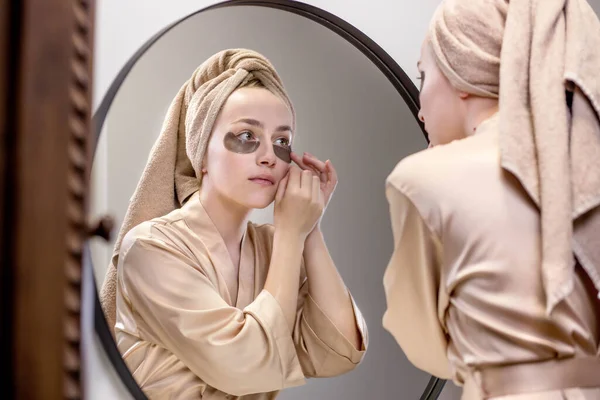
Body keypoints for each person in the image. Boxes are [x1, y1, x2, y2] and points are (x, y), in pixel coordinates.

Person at [99, 49, 368, 399]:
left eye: (282, 141)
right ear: (202, 152)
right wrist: (290, 235)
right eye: (246, 136)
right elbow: (248, 365)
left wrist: (309, 228)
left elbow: (339, 351)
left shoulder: (274, 247)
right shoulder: (151, 248)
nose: (270, 156)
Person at [382, 1, 600, 399]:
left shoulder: (423, 179)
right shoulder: (589, 168)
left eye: (424, 75)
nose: (420, 110)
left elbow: (425, 346)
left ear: (462, 73)